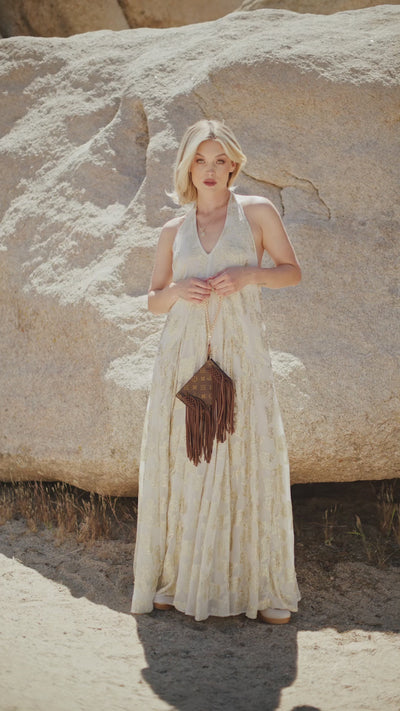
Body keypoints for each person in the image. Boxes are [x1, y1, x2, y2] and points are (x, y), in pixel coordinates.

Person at [131, 119, 301, 624]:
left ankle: (260, 586)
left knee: (244, 455)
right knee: (188, 461)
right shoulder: (173, 230)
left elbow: (292, 272)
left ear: (233, 165)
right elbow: (153, 300)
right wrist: (177, 291)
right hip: (183, 356)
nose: (210, 169)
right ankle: (178, 578)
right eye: (200, 160)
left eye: (219, 160)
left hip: (241, 353)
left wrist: (250, 274)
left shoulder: (257, 212)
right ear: (188, 167)